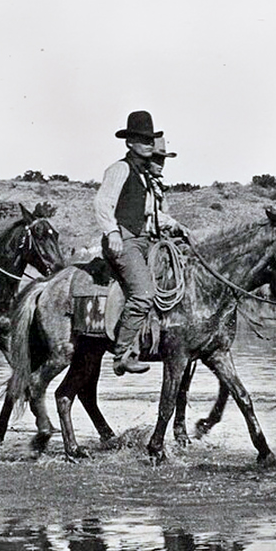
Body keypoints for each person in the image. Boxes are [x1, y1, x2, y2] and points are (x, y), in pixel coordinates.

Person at [94, 112, 186, 375]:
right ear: (129, 143)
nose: (148, 144)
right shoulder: (120, 169)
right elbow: (103, 203)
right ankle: (122, 354)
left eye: (149, 139)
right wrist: (112, 232)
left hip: (145, 241)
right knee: (144, 293)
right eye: (141, 140)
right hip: (125, 240)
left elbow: (153, 215)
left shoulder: (145, 176)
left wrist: (178, 227)